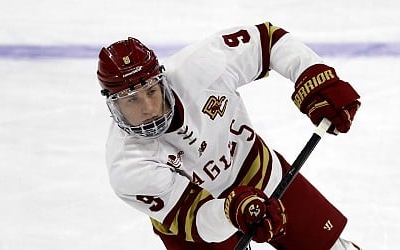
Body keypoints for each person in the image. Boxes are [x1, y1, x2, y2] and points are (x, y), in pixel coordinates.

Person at [96, 22, 361, 250]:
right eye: (130, 101)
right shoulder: (127, 166)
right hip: (198, 228)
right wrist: (232, 212)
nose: (148, 109)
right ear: (113, 105)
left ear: (162, 79)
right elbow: (198, 220)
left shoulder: (201, 67)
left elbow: (268, 40)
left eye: (151, 91)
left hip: (260, 173)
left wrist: (313, 77)